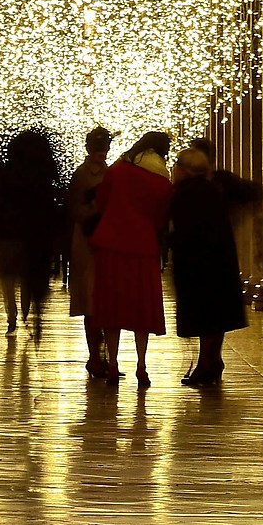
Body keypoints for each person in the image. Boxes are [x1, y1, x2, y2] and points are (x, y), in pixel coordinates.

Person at [168, 139, 262, 385]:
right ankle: (211, 361)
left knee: (204, 315)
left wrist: (166, 241)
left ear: (185, 170)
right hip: (219, 260)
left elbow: (186, 231)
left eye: (177, 165)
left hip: (198, 263)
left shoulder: (188, 194)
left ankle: (207, 364)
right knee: (214, 315)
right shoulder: (213, 188)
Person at [87, 130, 174, 386]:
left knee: (111, 306)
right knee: (141, 309)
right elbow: (162, 217)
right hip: (143, 246)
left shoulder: (117, 171)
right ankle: (141, 365)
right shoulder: (162, 181)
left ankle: (113, 364)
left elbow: (102, 203)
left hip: (111, 244)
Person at [0, 127, 65, 342]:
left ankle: (11, 315)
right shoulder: (43, 177)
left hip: (7, 236)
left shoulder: (4, 174)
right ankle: (27, 313)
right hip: (32, 239)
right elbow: (50, 211)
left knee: (8, 280)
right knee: (28, 279)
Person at [66, 125, 114, 378]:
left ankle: (104, 356)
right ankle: (95, 356)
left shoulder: (109, 174)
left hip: (105, 240)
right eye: (97, 148)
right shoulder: (82, 175)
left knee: (103, 300)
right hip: (87, 241)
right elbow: (75, 209)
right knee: (90, 301)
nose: (101, 152)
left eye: (103, 147)